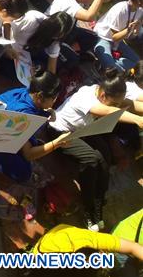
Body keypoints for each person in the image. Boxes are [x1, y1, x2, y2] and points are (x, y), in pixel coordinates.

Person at [46, 68, 143, 230]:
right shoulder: (87, 98)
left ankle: (98, 203)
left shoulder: (105, 92)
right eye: (114, 103)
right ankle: (88, 209)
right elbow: (111, 111)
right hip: (61, 133)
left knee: (105, 158)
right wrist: (138, 121)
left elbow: (128, 104)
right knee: (91, 159)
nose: (116, 106)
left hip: (84, 130)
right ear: (104, 96)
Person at [0, 72, 71, 183]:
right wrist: (57, 143)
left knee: (36, 143)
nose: (54, 101)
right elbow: (28, 155)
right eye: (54, 98)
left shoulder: (27, 92)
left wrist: (49, 112)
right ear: (40, 96)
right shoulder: (24, 116)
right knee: (24, 172)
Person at [92, 0, 142, 71]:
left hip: (118, 41)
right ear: (139, 1)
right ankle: (113, 62)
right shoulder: (121, 9)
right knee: (113, 68)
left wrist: (136, 30)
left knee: (138, 64)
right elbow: (114, 37)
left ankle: (117, 61)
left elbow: (132, 35)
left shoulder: (140, 11)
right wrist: (128, 30)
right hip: (102, 37)